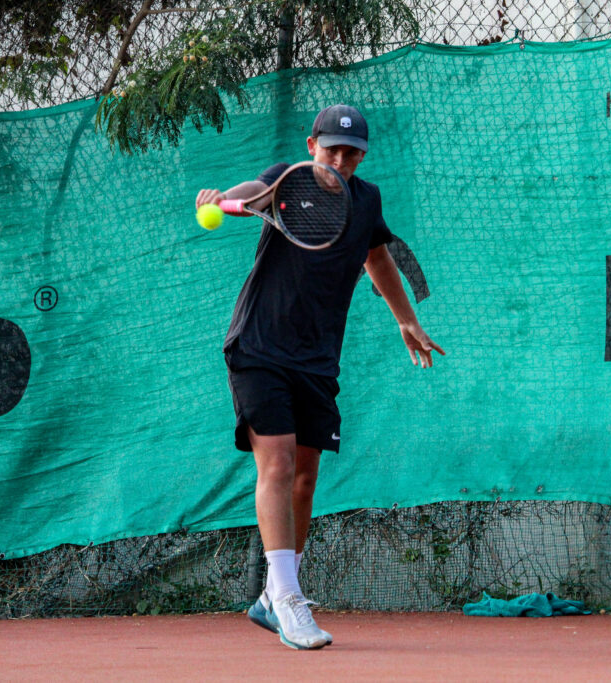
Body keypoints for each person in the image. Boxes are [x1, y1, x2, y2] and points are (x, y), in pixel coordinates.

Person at [195, 104, 445, 650]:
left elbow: (378, 259)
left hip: (317, 359)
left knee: (305, 476)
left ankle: (271, 596)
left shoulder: (366, 199)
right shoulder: (288, 181)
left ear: (362, 156)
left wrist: (406, 320)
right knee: (278, 462)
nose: (340, 159)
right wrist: (220, 199)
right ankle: (286, 598)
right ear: (312, 145)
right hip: (259, 346)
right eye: (331, 148)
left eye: (351, 152)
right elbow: (255, 193)